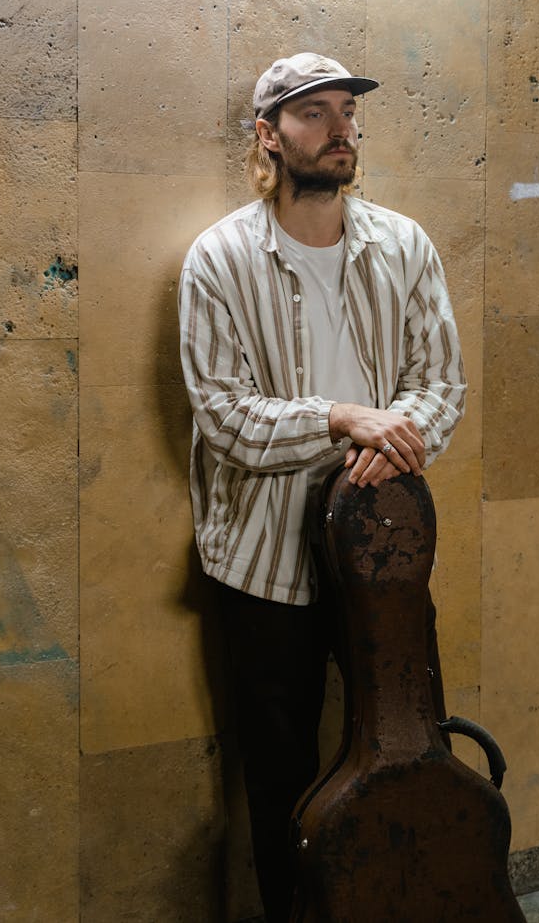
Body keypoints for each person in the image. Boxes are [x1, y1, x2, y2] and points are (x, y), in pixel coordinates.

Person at [178, 52, 466, 922]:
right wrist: (344, 417)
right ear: (267, 134)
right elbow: (224, 417)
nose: (341, 128)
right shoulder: (220, 258)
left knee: (419, 749)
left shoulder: (403, 245)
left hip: (385, 554)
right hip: (264, 568)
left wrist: (395, 443)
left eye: (347, 110)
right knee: (280, 785)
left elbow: (440, 384)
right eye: (315, 113)